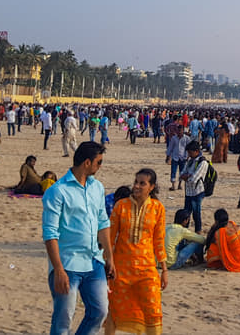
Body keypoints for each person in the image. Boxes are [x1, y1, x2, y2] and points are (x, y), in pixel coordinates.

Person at [42, 141, 114, 335]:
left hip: (94, 260)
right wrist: (58, 269)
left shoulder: (97, 187)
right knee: (64, 318)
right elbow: (50, 233)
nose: (100, 166)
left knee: (100, 311)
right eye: (99, 162)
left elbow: (103, 222)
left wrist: (109, 256)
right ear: (87, 163)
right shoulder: (57, 191)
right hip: (68, 263)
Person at [104, 168, 168, 335]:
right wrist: (108, 262)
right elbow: (110, 238)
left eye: (142, 183)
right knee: (114, 309)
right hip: (121, 268)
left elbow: (159, 240)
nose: (137, 186)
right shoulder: (121, 206)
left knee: (153, 310)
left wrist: (164, 269)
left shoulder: (158, 208)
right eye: (136, 182)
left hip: (147, 269)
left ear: (151, 187)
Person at [180, 141, 209, 234]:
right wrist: (187, 176)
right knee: (186, 213)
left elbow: (194, 179)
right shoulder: (190, 161)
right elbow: (181, 174)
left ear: (196, 151)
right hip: (188, 191)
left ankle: (198, 231)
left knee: (196, 213)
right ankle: (185, 232)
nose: (189, 154)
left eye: (190, 152)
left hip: (197, 192)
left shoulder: (203, 162)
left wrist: (186, 176)